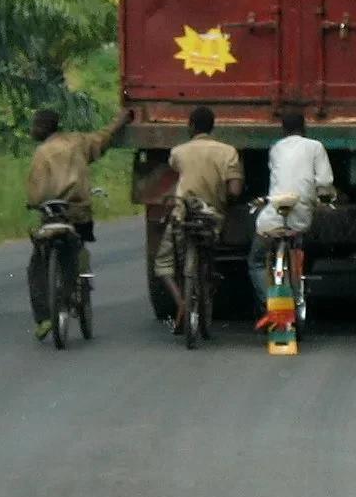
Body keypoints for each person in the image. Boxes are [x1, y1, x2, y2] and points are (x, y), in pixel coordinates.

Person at [26, 107, 132, 340]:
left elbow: (35, 194)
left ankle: (44, 317)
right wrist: (120, 121)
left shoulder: (41, 153)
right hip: (79, 214)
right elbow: (103, 138)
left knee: (36, 264)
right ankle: (82, 284)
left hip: (53, 216)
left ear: (41, 128)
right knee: (79, 245)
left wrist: (33, 203)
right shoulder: (77, 142)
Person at [154, 106, 244, 330]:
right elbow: (234, 191)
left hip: (183, 215)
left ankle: (182, 303)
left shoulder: (178, 152)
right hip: (212, 217)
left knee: (163, 263)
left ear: (191, 126)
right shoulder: (228, 152)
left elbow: (174, 167)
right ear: (213, 127)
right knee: (210, 252)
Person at [248, 108, 334, 314]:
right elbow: (324, 181)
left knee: (256, 260)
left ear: (283, 130)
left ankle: (271, 303)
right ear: (304, 128)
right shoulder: (315, 146)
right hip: (301, 216)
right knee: (298, 241)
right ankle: (297, 288)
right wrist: (325, 198)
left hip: (274, 214)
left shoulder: (276, 148)